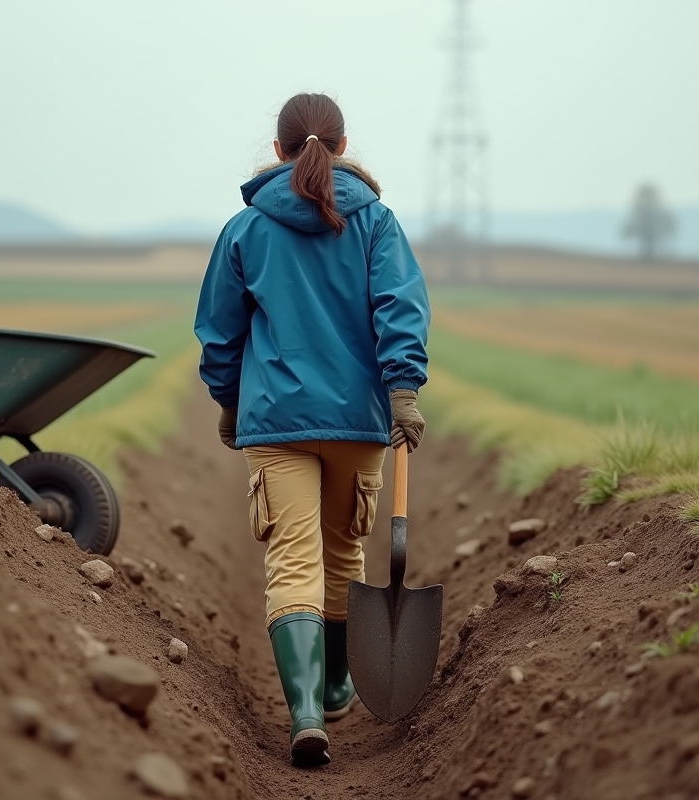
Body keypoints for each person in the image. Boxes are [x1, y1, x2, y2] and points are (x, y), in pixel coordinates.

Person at [194, 92, 430, 767]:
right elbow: (399, 305)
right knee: (344, 554)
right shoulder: (376, 222)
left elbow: (219, 332)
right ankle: (333, 685)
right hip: (357, 422)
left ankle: (304, 715)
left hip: (276, 422)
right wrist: (403, 390)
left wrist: (229, 403)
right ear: (343, 143)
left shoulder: (245, 229)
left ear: (278, 150)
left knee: (290, 559)